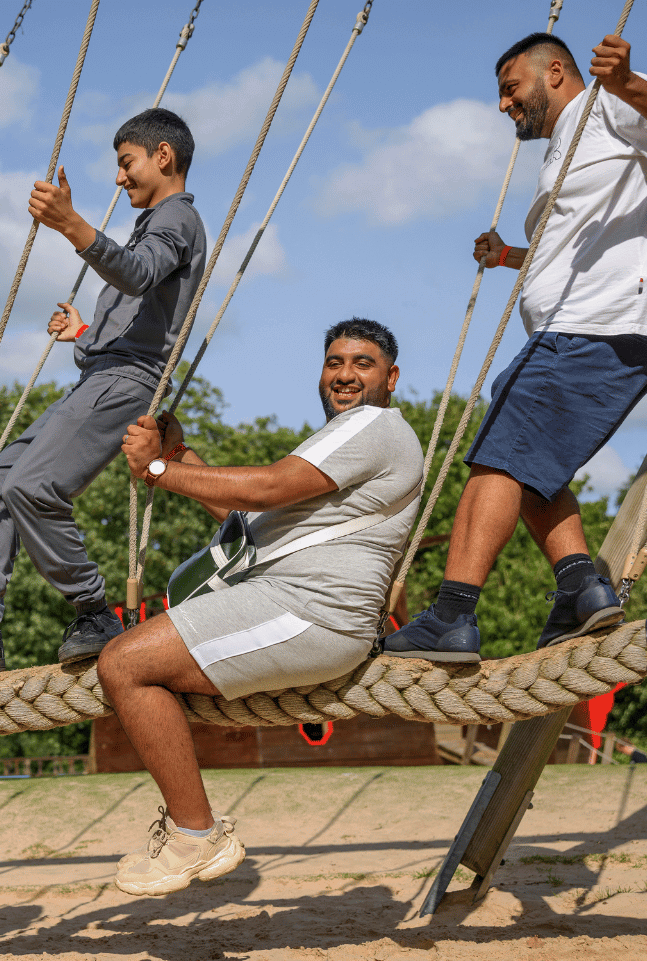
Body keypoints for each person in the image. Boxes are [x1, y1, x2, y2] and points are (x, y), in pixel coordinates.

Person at [385, 34, 647, 663]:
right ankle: (582, 590)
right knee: (530, 470)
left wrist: (625, 83)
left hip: (601, 323)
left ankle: (452, 615)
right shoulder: (567, 146)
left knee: (498, 461)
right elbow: (573, 250)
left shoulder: (607, 103)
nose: (504, 106)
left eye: (511, 90)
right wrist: (509, 256)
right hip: (578, 325)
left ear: (555, 73)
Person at [99, 319, 422, 896]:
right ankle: (192, 828)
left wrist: (155, 469)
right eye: (334, 362)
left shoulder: (373, 427)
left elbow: (268, 487)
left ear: (391, 377)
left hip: (309, 612)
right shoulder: (346, 442)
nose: (344, 375)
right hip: (287, 605)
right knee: (137, 665)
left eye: (362, 363)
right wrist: (179, 452)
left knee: (125, 663)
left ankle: (195, 835)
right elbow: (245, 526)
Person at [0, 108, 207, 676]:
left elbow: (138, 274)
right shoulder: (153, 224)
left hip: (124, 382)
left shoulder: (178, 221)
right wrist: (85, 334)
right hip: (103, 374)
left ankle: (94, 611)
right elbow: (142, 312)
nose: (119, 178)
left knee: (32, 485)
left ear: (163, 156)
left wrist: (70, 223)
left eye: (126, 163)